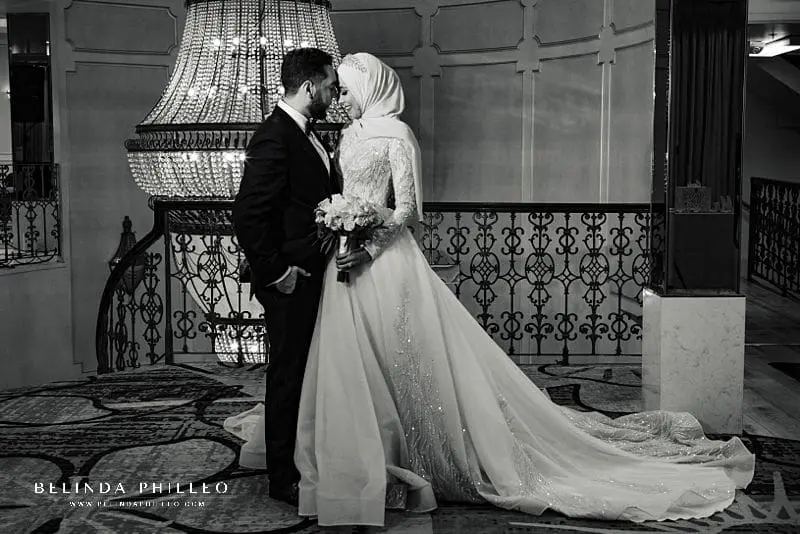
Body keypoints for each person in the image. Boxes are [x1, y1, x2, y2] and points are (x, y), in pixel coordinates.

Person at [229, 52, 756, 527]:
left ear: (372, 88)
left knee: (407, 361)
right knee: (346, 366)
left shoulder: (395, 135)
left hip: (383, 263)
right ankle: (341, 449)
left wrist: (366, 241)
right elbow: (291, 204)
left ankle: (418, 451)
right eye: (332, 88)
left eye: (344, 88)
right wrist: (334, 232)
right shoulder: (337, 137)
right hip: (334, 270)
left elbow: (409, 210)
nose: (338, 98)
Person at [229, 47, 340, 507]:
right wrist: (276, 273)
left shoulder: (307, 133)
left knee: (305, 372)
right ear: (311, 86)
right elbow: (248, 214)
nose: (335, 93)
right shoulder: (274, 136)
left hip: (315, 272)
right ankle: (282, 477)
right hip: (291, 279)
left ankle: (304, 456)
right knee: (287, 375)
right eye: (331, 85)